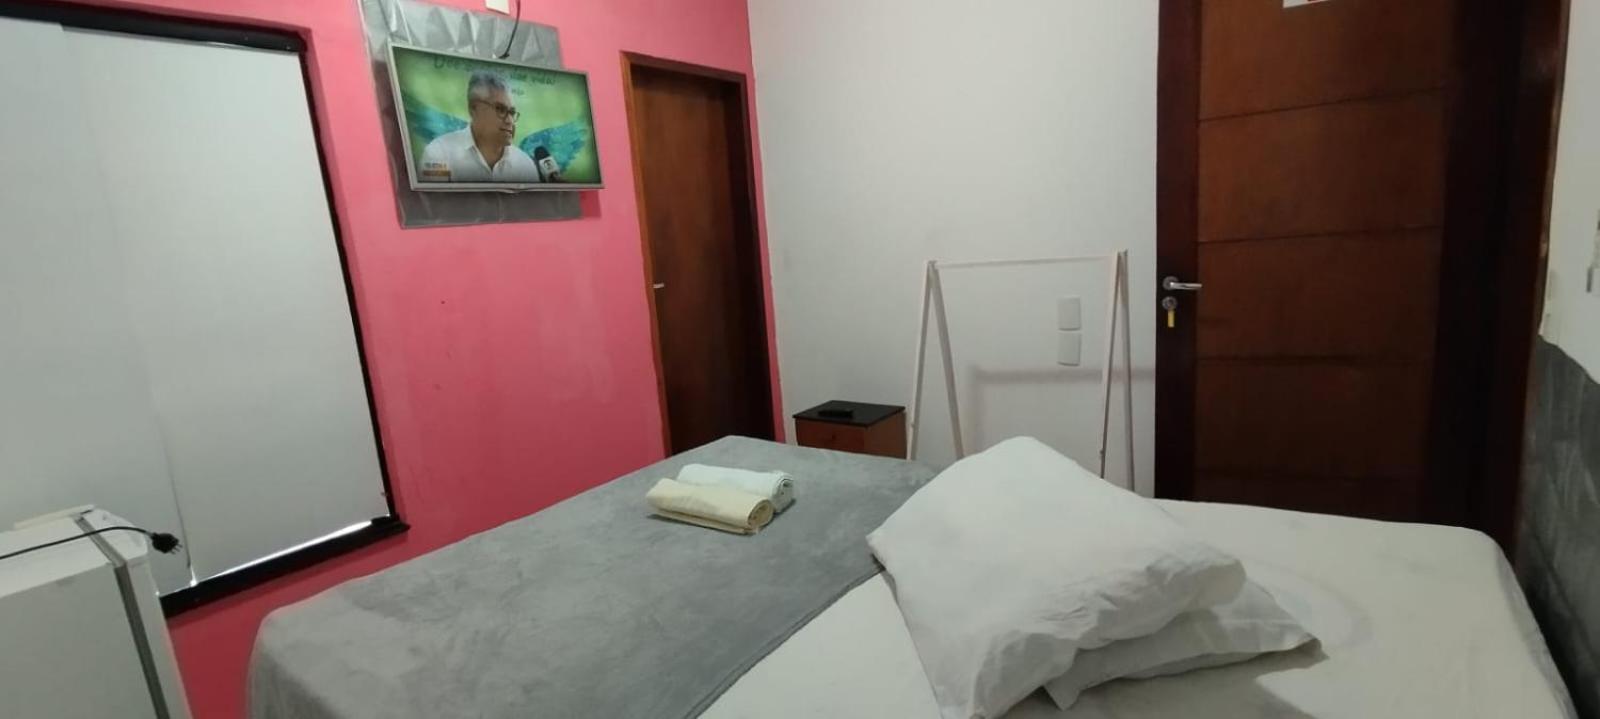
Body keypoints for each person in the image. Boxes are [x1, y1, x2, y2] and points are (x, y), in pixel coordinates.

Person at [417, 71, 540, 183]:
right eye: (500, 110)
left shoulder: (525, 164)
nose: (510, 121)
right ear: (473, 109)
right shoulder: (439, 153)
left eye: (512, 113)